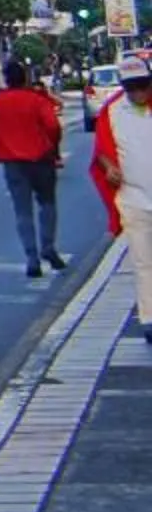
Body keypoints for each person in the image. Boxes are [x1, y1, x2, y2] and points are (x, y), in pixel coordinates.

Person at [0, 57, 67, 280]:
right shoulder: (37, 100)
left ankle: (32, 258)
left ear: (6, 79)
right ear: (25, 78)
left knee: (22, 211)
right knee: (47, 204)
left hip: (13, 163)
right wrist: (51, 145)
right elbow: (53, 126)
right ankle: (48, 246)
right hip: (42, 159)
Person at [89, 53, 152, 346]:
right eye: (132, 87)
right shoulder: (112, 111)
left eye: (143, 85)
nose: (138, 92)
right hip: (134, 197)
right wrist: (108, 166)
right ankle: (149, 318)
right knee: (143, 260)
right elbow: (101, 151)